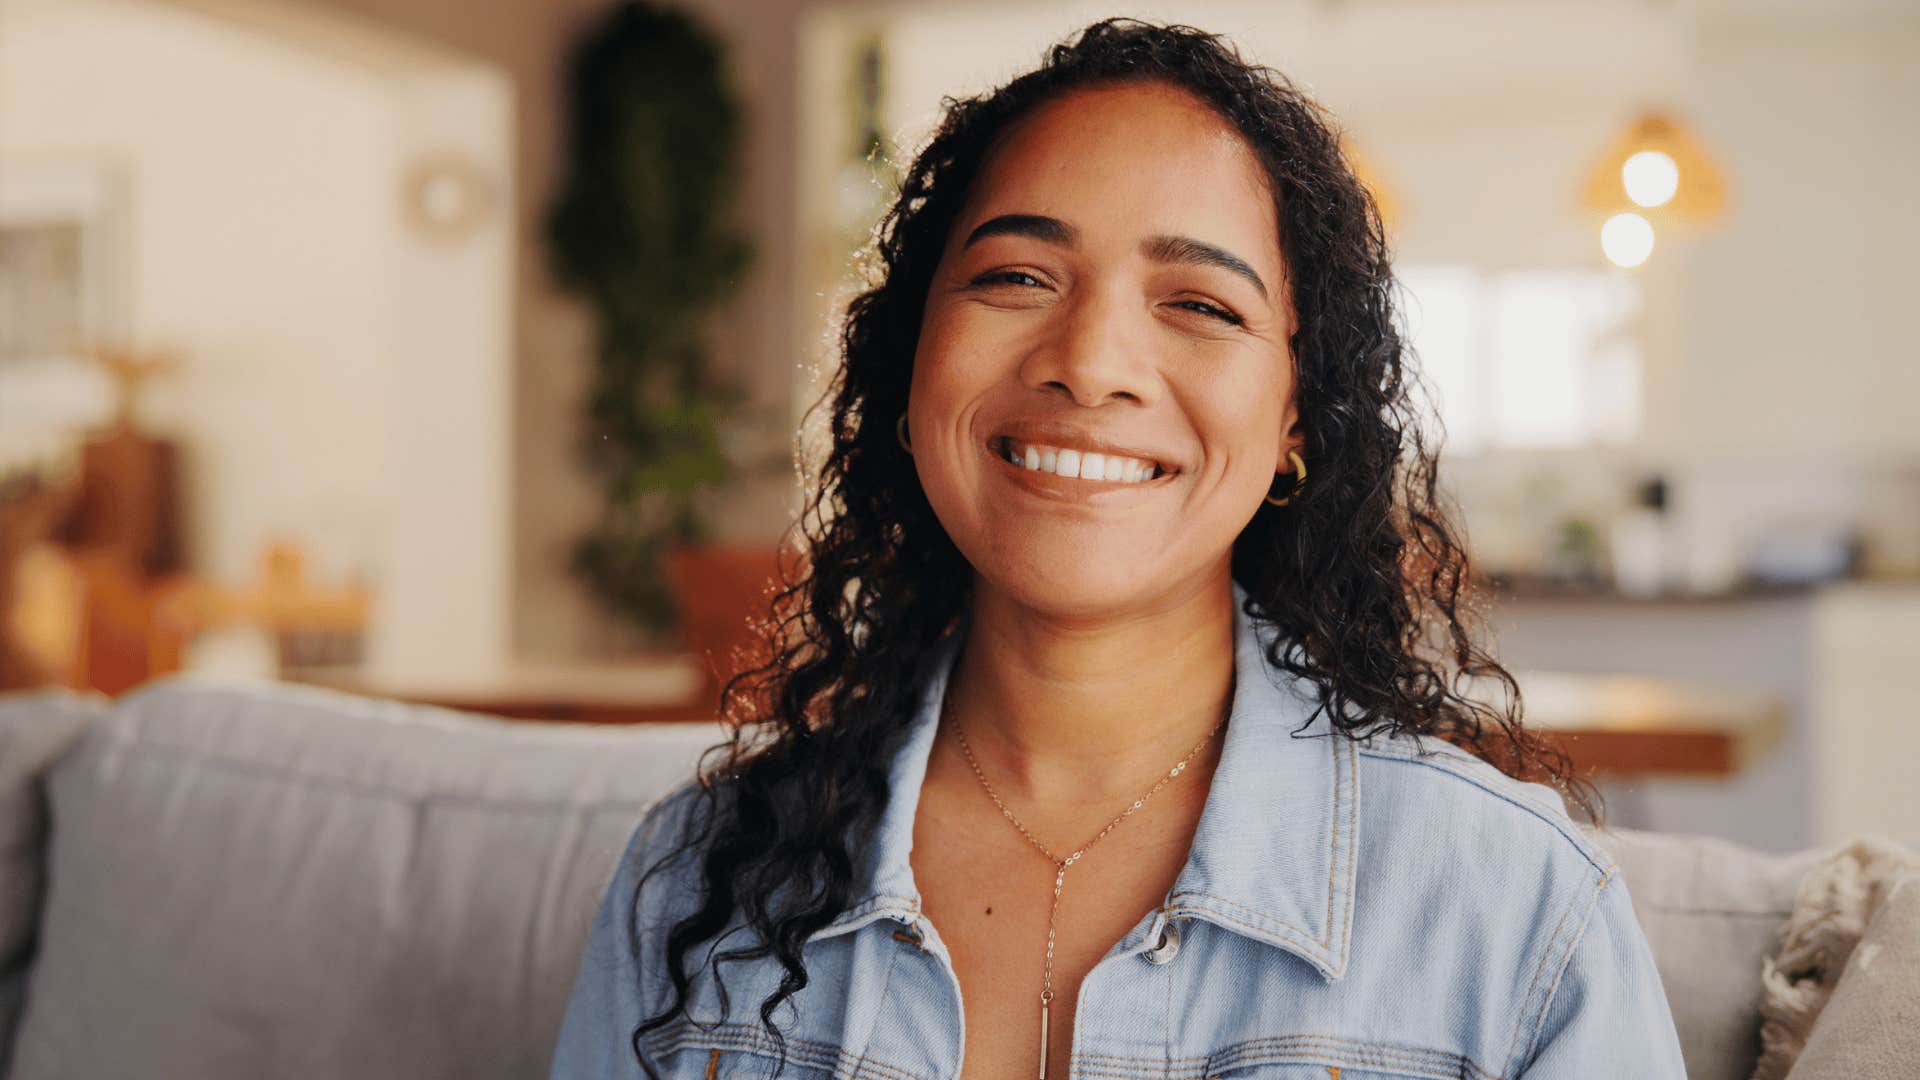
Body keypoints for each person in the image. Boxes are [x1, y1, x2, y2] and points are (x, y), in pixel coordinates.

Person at [550, 17, 1686, 1080]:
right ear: (911, 364)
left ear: (1296, 420)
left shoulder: (1518, 911)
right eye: (1016, 277)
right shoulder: (693, 880)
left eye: (1201, 304)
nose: (1090, 363)